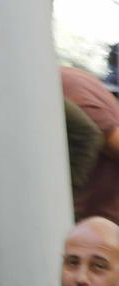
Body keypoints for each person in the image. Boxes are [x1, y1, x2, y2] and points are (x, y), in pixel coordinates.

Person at [60, 66, 119, 225]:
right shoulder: (65, 78)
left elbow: (98, 136)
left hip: (99, 221)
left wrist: (63, 201)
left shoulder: (63, 86)